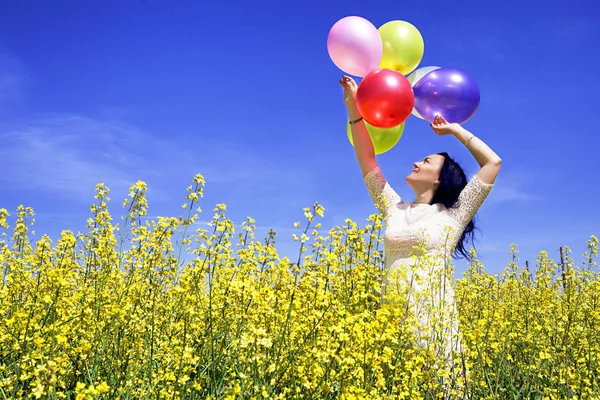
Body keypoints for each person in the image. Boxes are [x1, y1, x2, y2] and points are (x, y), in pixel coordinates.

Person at [339, 75, 502, 376]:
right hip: (391, 328)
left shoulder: (453, 215)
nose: (415, 163)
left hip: (435, 327)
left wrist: (454, 130)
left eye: (426, 161)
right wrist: (354, 108)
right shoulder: (393, 208)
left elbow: (492, 163)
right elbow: (366, 158)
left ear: (440, 178)